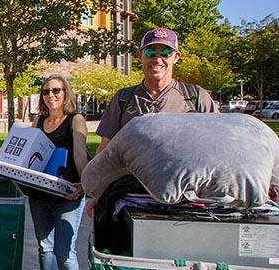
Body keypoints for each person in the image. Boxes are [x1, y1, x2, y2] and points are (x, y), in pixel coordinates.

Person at [87, 27, 217, 216]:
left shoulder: (196, 97)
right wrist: (97, 194)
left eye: (165, 52)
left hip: (186, 199)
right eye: (150, 52)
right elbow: (106, 150)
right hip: (131, 195)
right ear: (140, 56)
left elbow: (216, 150)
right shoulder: (123, 99)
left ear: (176, 57)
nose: (157, 59)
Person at [26, 75, 90, 270]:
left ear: (66, 93)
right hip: (40, 194)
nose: (51, 95)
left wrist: (85, 186)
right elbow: (27, 154)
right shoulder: (39, 121)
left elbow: (80, 154)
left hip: (68, 193)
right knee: (45, 247)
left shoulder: (76, 120)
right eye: (46, 91)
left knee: (65, 250)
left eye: (56, 90)